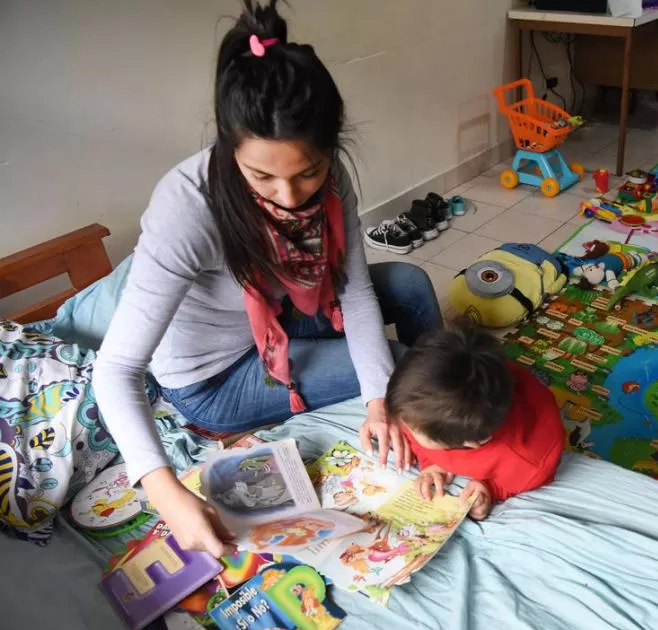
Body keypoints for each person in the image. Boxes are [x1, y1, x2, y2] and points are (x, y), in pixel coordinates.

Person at [93, 0, 441, 558]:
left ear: (331, 149)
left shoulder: (331, 182)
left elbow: (353, 290)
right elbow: (115, 369)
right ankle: (435, 411)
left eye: (309, 172)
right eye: (262, 176)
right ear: (231, 152)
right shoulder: (187, 207)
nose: (289, 197)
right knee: (402, 368)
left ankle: (444, 412)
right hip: (214, 376)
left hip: (278, 321)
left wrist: (380, 400)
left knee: (411, 288)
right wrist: (162, 488)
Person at [384, 322, 565, 520]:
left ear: (472, 443)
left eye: (411, 428)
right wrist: (432, 464)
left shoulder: (528, 462)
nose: (401, 424)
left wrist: (491, 488)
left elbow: (519, 481)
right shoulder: (422, 405)